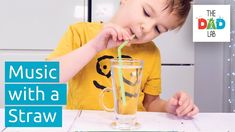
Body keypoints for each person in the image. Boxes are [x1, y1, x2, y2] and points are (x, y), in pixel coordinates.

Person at [47, 0, 199, 117]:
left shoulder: (151, 53)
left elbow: (151, 103)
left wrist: (169, 107)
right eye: (146, 12)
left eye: (158, 29)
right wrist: (94, 47)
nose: (146, 28)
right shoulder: (80, 33)